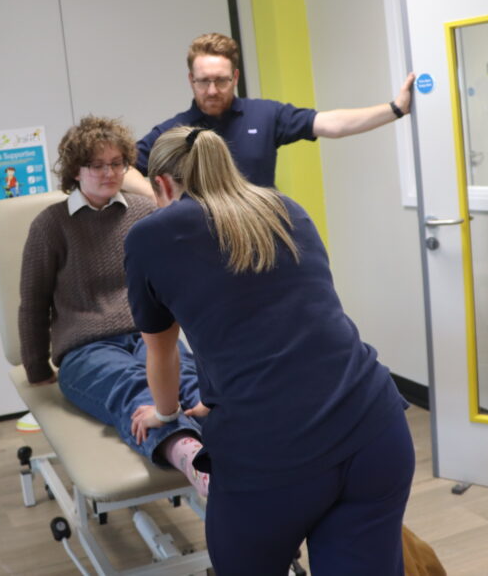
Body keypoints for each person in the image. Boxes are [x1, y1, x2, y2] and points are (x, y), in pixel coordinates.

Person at [125, 126, 414, 575]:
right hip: (375, 428)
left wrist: (165, 414)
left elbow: (161, 354)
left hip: (272, 456)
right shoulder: (285, 208)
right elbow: (292, 324)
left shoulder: (150, 236)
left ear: (161, 184)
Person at [18, 115, 209, 495]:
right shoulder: (50, 225)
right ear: (75, 170)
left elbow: (178, 285)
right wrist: (37, 367)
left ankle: (238, 454)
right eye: (97, 165)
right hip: (85, 349)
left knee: (192, 383)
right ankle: (191, 456)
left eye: (117, 163)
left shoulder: (145, 212)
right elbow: (33, 303)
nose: (109, 172)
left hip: (149, 336)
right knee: (134, 389)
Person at [122, 32, 416, 195]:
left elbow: (332, 124)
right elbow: (123, 169)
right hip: (201, 243)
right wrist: (157, 196)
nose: (212, 90)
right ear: (191, 80)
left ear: (235, 77)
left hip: (262, 237)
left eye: (221, 80)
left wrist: (395, 109)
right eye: (203, 81)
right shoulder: (174, 131)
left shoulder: (264, 114)